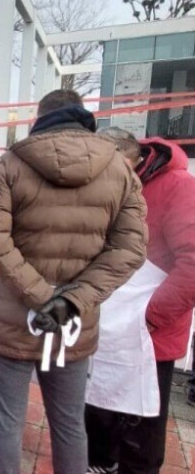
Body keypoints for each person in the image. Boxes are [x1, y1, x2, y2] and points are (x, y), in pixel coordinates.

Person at [0, 90, 147, 474]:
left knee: (6, 427)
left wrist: (41, 296)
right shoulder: (119, 169)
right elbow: (131, 248)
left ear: (40, 117)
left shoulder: (10, 163)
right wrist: (69, 301)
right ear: (83, 116)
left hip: (11, 318)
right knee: (69, 426)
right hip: (73, 323)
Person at [85, 132, 195, 474]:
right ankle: (100, 461)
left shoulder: (179, 188)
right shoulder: (114, 186)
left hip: (151, 332)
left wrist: (149, 317)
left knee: (142, 423)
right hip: (109, 321)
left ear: (129, 161)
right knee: (100, 400)